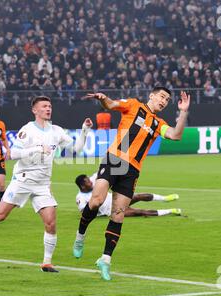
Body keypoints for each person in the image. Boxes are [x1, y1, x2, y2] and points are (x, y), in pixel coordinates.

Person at [0, 96, 93, 273]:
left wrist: (84, 130)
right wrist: (37, 149)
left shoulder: (56, 131)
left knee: (51, 222)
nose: (48, 109)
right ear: (35, 110)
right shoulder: (27, 130)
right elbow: (12, 153)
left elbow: (76, 150)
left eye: (50, 106)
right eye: (44, 106)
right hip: (22, 180)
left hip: (43, 184)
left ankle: (46, 263)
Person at [73, 87, 191, 281]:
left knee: (119, 214)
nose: (164, 101)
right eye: (162, 96)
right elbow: (111, 104)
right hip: (115, 159)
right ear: (151, 95)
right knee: (96, 200)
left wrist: (184, 111)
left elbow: (176, 135)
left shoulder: (158, 123)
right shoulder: (134, 105)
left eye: (167, 100)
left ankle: (105, 259)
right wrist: (103, 99)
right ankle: (80, 237)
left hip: (132, 170)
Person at [75, 173, 181, 218]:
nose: (90, 182)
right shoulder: (81, 198)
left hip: (116, 199)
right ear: (83, 187)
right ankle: (171, 211)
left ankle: (165, 198)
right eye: (87, 181)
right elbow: (84, 213)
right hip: (112, 211)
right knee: (140, 212)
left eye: (89, 179)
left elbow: (100, 172)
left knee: (139, 196)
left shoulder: (94, 181)